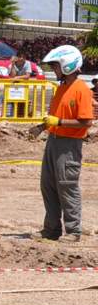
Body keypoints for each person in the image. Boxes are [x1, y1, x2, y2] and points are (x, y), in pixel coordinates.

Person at [32, 45, 94, 243]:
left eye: (56, 66)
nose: (54, 70)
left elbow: (86, 122)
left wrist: (58, 123)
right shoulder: (62, 88)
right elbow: (56, 116)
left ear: (68, 65)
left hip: (69, 144)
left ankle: (73, 230)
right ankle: (51, 229)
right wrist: (42, 127)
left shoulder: (81, 90)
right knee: (48, 185)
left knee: (67, 186)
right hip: (54, 141)